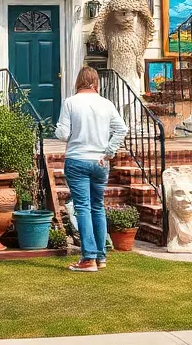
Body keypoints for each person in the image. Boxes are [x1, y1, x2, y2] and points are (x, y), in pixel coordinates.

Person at [55, 67, 128, 272]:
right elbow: (122, 129)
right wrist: (109, 152)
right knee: (97, 207)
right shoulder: (106, 104)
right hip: (100, 162)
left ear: (79, 81)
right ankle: (101, 257)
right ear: (96, 82)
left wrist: (57, 129)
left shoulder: (70, 102)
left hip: (77, 160)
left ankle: (88, 258)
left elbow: (62, 134)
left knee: (83, 208)